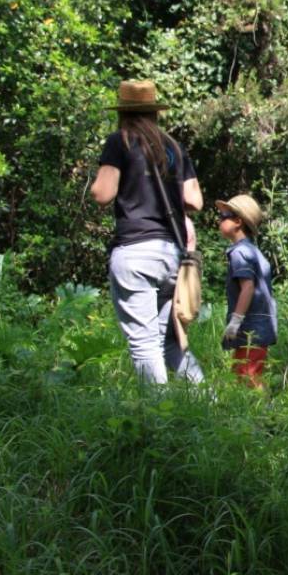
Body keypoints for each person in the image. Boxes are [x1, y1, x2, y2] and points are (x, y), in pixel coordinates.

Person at [91, 79, 204, 385]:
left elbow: (103, 193)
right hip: (171, 255)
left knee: (144, 345)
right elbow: (195, 200)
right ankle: (208, 400)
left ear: (123, 112)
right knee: (169, 341)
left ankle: (158, 418)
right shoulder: (174, 149)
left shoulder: (120, 142)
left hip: (135, 252)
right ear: (155, 112)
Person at [215, 194, 278, 389]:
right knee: (245, 374)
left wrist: (235, 322)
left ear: (238, 221)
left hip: (250, 328)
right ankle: (257, 413)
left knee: (248, 377)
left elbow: (248, 288)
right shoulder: (253, 251)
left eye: (224, 215)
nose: (219, 219)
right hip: (260, 324)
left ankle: (265, 415)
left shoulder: (240, 253)